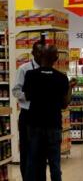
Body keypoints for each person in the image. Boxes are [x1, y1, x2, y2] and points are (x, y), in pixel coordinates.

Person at [23, 45, 76, 181]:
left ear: (40, 56)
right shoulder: (61, 78)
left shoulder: (30, 75)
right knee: (55, 164)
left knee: (34, 162)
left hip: (34, 124)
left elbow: (27, 96)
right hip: (53, 125)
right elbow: (65, 104)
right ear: (56, 58)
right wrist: (69, 88)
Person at [12, 41, 44, 180]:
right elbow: (15, 91)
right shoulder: (24, 69)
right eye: (38, 52)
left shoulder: (47, 69)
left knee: (40, 151)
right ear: (33, 53)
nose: (41, 55)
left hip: (43, 115)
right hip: (28, 114)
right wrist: (28, 96)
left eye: (43, 52)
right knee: (26, 148)